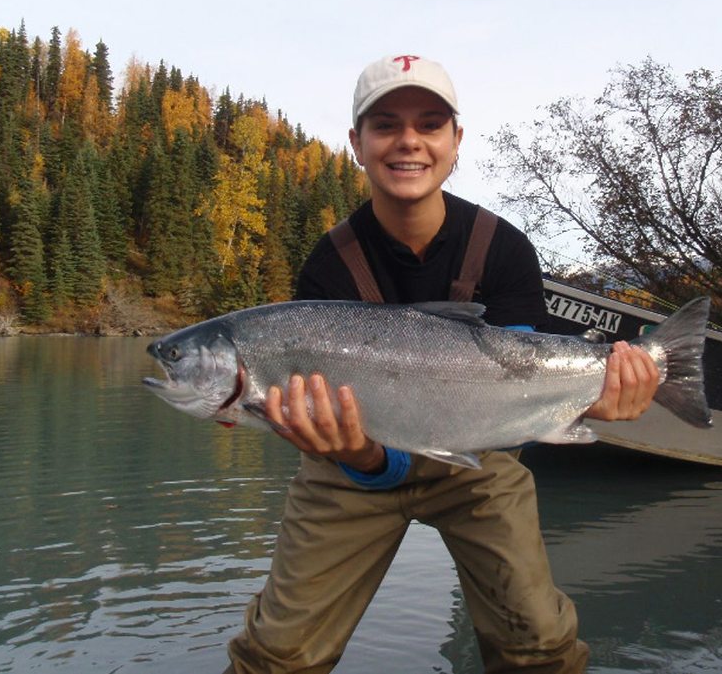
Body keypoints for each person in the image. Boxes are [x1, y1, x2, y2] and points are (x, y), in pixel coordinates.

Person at [225, 54, 660, 673]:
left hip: (478, 458)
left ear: (456, 141)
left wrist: (597, 396)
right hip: (350, 464)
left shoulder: (503, 248)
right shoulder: (329, 265)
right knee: (275, 656)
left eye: (430, 124)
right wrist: (362, 457)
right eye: (385, 125)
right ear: (356, 144)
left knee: (539, 646)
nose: (409, 141)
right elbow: (338, 432)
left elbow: (513, 383)